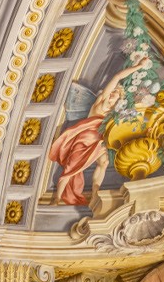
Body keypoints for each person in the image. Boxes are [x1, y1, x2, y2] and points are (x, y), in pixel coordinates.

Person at [45, 56, 152, 205]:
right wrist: (138, 66)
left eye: (116, 92)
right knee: (71, 168)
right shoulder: (101, 102)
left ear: (119, 98)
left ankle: (95, 193)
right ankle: (56, 198)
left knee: (103, 163)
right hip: (84, 140)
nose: (113, 93)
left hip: (100, 141)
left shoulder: (113, 114)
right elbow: (117, 76)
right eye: (112, 90)